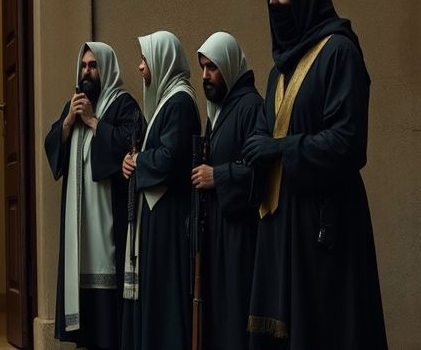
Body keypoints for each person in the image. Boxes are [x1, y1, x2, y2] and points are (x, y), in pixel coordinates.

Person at [241, 0, 387, 349]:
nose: (273, 1)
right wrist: (264, 147)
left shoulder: (339, 53)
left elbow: (348, 142)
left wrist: (280, 147)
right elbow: (260, 135)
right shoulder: (278, 72)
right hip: (279, 223)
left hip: (324, 226)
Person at [44, 42, 144, 349]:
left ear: (106, 68)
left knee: (109, 305)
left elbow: (132, 142)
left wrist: (91, 121)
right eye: (84, 66)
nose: (87, 71)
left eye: (93, 65)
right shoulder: (75, 104)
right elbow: (52, 145)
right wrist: (68, 123)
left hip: (108, 216)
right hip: (80, 223)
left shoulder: (123, 104)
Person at [121, 30, 200, 350]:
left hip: (168, 218)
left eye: (144, 59)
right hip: (157, 216)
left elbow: (170, 159)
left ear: (162, 60)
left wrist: (139, 162)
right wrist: (132, 160)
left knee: (165, 298)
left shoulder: (180, 101)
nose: (140, 67)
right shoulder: (168, 100)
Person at [192, 32, 263, 350]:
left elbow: (261, 173)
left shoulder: (250, 108)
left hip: (240, 238)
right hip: (219, 235)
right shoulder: (218, 111)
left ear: (230, 67)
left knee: (236, 316)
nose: (205, 76)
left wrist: (216, 176)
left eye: (212, 68)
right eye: (203, 68)